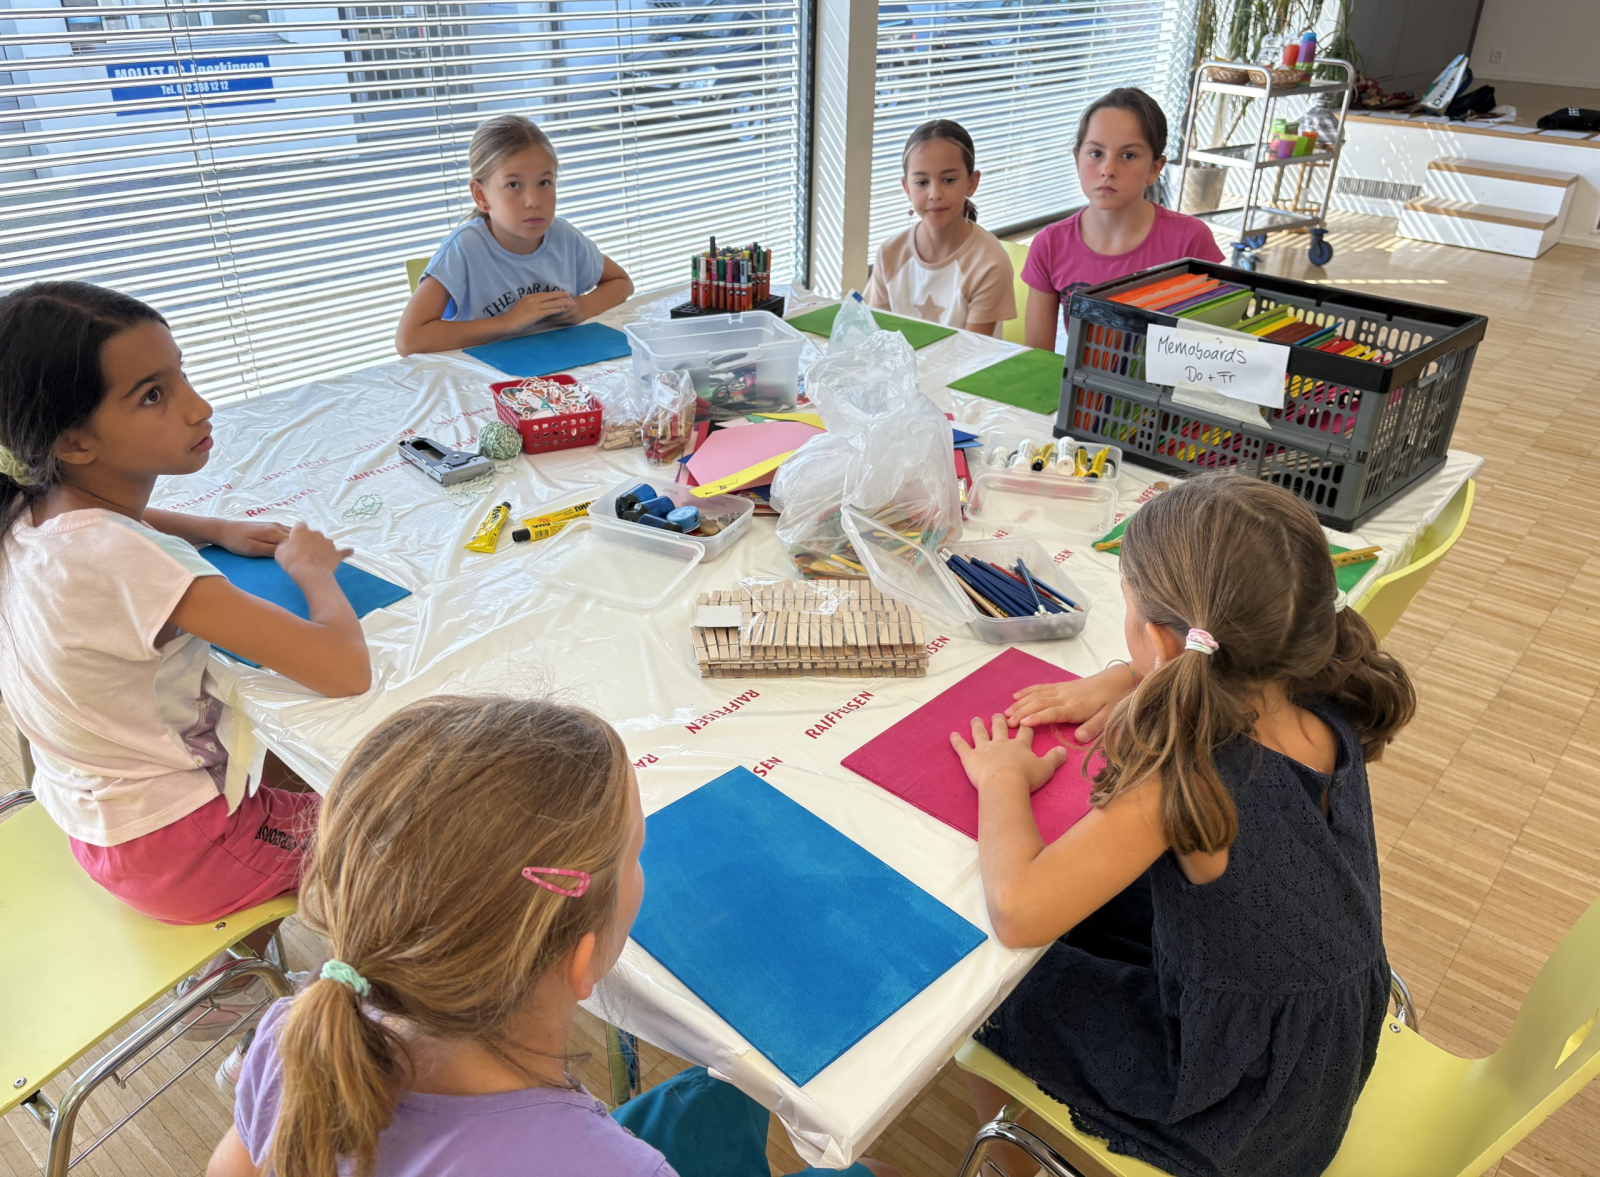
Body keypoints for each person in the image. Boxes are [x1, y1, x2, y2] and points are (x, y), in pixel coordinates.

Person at [206, 696, 894, 1177]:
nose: (641, 864)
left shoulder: (293, 1035)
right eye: (635, 853)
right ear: (582, 961)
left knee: (724, 1095)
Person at [950, 473, 1416, 1177]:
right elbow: (1212, 675)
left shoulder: (1184, 772)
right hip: (1323, 1046)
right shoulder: (1323, 691)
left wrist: (1002, 779)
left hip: (1239, 1105)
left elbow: (1019, 911)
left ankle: (1007, 1169)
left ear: (1162, 642)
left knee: (990, 992)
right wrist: (1129, 678)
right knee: (1098, 916)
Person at [0, 281, 371, 930]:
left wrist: (214, 528)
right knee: (391, 825)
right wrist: (313, 572)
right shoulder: (133, 563)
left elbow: (113, 526)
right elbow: (344, 670)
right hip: (188, 849)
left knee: (285, 754)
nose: (200, 407)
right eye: (153, 395)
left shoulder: (25, 512)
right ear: (74, 442)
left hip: (101, 826)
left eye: (181, 375)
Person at [396, 115, 634, 355]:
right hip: (487, 371)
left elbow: (621, 283)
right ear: (481, 196)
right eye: (513, 185)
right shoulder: (464, 249)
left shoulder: (565, 237)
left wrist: (584, 306)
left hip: (560, 361)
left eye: (544, 183)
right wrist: (507, 322)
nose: (533, 201)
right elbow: (409, 340)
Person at [1022, 88, 1224, 351]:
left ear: (1155, 168)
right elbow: (1038, 355)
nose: (1108, 170)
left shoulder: (1191, 240)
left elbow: (1211, 348)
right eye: (1096, 153)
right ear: (1077, 159)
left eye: (1128, 155)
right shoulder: (1049, 244)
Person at [864, 119, 1015, 338]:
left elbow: (972, 350)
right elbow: (874, 334)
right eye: (922, 182)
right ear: (907, 188)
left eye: (949, 179)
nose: (935, 194)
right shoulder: (890, 253)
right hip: (896, 360)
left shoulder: (990, 262)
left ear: (971, 182)